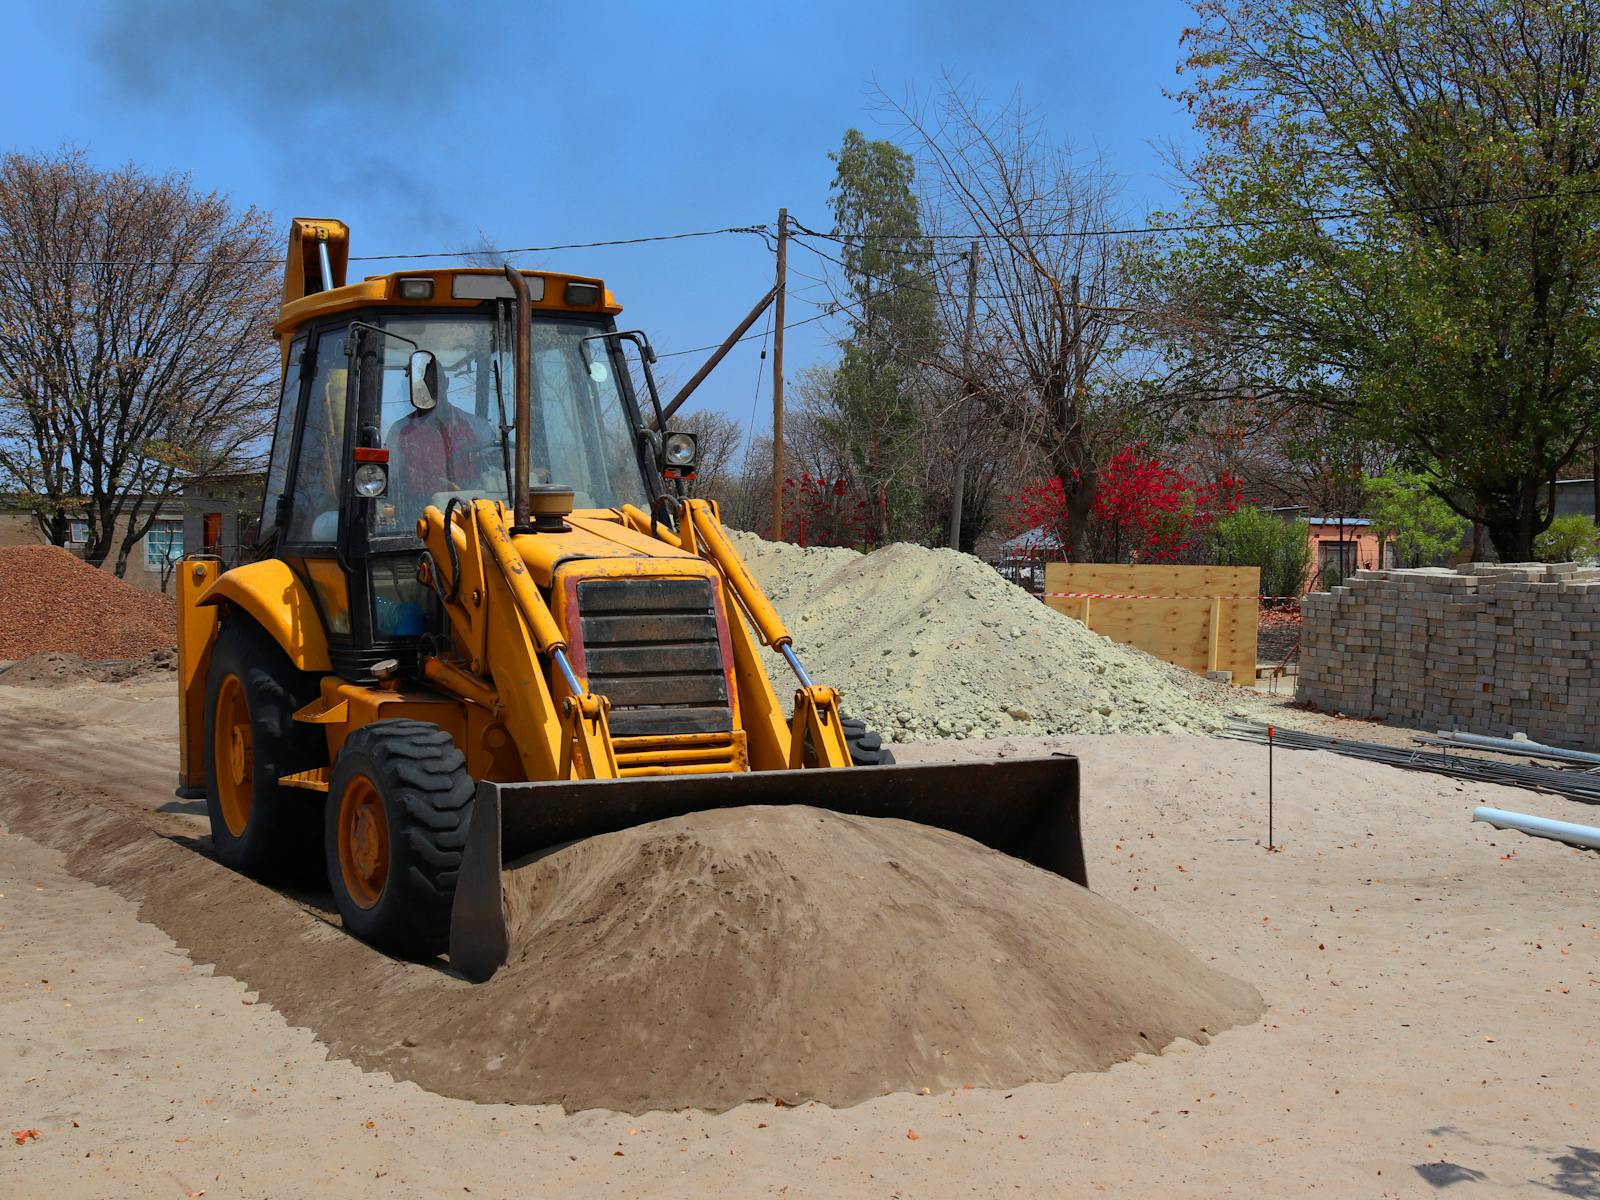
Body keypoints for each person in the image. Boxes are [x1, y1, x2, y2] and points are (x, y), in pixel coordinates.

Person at [385, 375, 504, 523]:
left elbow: (495, 467)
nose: (430, 390)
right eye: (421, 386)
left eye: (436, 382)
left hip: (472, 512)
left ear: (446, 383)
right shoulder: (400, 432)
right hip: (417, 517)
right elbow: (391, 478)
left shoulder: (477, 426)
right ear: (412, 391)